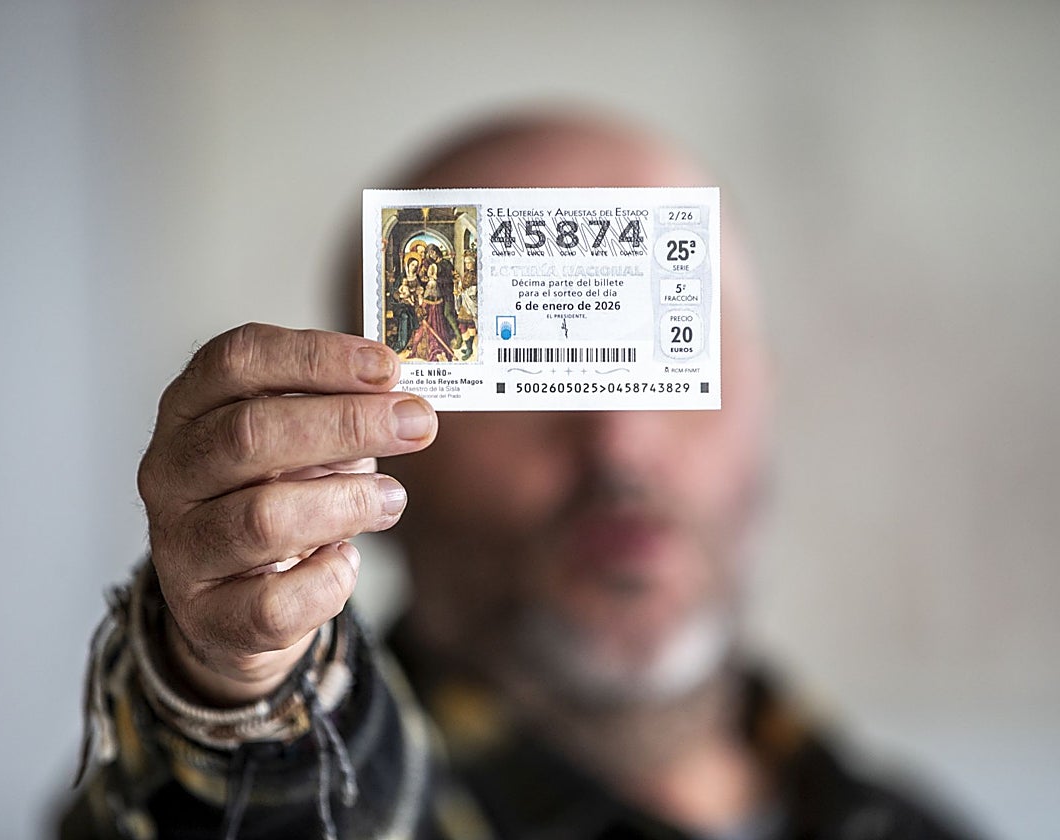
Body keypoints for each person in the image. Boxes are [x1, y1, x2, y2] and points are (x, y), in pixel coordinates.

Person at [59, 114, 981, 840]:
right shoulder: (353, 800)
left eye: (678, 350)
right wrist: (237, 692)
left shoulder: (914, 826)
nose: (620, 441)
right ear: (368, 426)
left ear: (766, 392)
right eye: (523, 375)